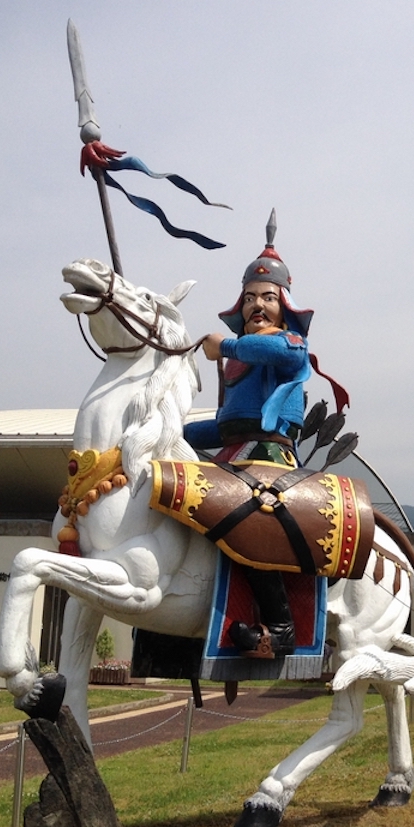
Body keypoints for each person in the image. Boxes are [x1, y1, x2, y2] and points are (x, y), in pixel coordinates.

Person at [184, 210, 313, 658]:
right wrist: (170, 432)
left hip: (270, 458)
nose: (257, 306)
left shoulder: (291, 348)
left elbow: (270, 348)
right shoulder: (238, 362)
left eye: (268, 298)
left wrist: (228, 345)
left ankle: (278, 629)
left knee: (253, 512)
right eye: (250, 298)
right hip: (232, 455)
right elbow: (221, 427)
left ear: (284, 307)